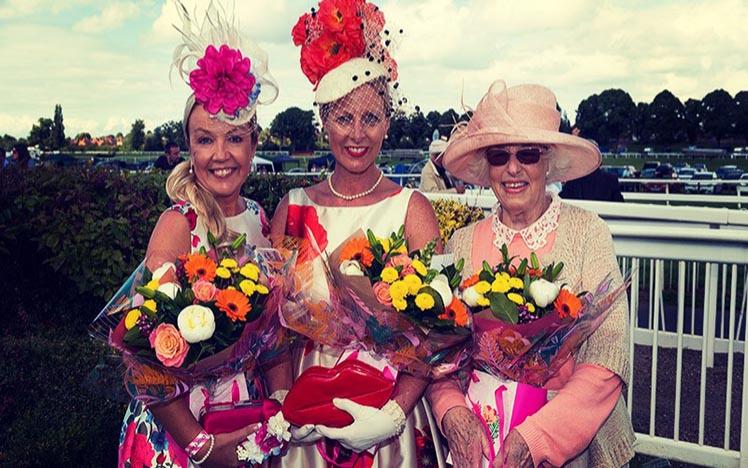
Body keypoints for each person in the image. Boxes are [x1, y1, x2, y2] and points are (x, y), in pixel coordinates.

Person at [268, 1, 445, 466]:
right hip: (307, 403)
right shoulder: (293, 208)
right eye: (344, 118)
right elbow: (274, 331)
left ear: (388, 122)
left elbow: (438, 330)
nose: (357, 134)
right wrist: (285, 403)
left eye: (370, 118)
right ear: (324, 120)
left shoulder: (412, 210)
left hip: (386, 402)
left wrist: (393, 412)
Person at [428, 80, 635, 467]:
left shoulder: (588, 232)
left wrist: (534, 436)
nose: (512, 168)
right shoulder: (460, 242)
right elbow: (441, 355)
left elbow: (608, 357)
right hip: (483, 444)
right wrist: (451, 412)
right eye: (498, 156)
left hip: (575, 451)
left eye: (527, 154)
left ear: (549, 161)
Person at [117, 3, 281, 467]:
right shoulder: (178, 225)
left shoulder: (258, 217)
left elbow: (269, 335)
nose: (220, 154)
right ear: (188, 146)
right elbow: (140, 354)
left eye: (234, 138)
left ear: (254, 144)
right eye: (206, 139)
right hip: (182, 428)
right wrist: (198, 445)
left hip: (244, 413)